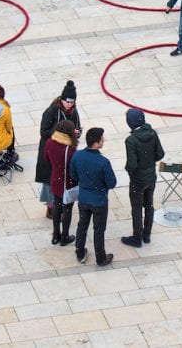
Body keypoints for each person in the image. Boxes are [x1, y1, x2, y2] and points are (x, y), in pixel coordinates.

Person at [71, 127, 117, 267]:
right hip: (99, 201)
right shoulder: (103, 162)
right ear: (96, 143)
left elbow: (73, 175)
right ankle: (100, 258)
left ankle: (79, 252)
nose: (104, 141)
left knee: (82, 225)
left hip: (83, 198)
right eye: (102, 139)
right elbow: (112, 183)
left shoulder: (77, 156)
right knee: (98, 230)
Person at [36, 81, 81, 218]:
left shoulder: (74, 112)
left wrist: (77, 133)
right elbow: (44, 131)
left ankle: (63, 202)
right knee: (51, 179)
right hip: (51, 149)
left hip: (67, 150)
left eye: (71, 102)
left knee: (65, 177)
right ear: (61, 99)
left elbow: (78, 126)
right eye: (67, 102)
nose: (69, 105)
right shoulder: (51, 112)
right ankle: (51, 207)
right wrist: (62, 132)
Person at [122, 108, 165, 248]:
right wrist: (148, 162)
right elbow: (160, 154)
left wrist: (129, 171)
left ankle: (137, 237)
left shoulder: (131, 140)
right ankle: (147, 235)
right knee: (149, 205)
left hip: (138, 180)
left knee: (136, 208)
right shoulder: (152, 133)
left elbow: (132, 164)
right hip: (151, 177)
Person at [45, 118, 78, 246]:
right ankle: (65, 236)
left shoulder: (49, 142)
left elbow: (46, 159)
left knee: (57, 207)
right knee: (67, 209)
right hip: (67, 183)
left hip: (55, 180)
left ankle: (55, 235)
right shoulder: (70, 150)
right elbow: (73, 168)